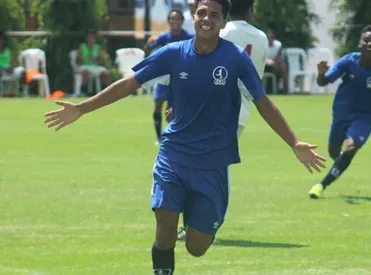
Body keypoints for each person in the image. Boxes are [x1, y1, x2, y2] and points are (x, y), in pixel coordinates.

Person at [43, 0, 326, 274]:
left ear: (223, 22)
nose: (206, 19)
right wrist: (82, 108)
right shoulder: (174, 52)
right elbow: (129, 83)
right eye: (202, 12)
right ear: (193, 16)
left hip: (212, 163)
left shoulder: (235, 58)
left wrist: (294, 142)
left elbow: (263, 102)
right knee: (165, 222)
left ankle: (202, 216)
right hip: (174, 155)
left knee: (196, 246)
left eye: (214, 15)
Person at [175, 0, 268, 240]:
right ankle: (201, 222)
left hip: (213, 108)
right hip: (242, 110)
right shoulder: (261, 37)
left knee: (204, 164)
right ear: (250, 11)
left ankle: (208, 222)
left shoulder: (221, 31)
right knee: (214, 164)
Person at [308, 25, 371, 199]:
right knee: (334, 151)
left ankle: (321, 185)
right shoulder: (349, 61)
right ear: (360, 43)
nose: (369, 44)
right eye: (366, 41)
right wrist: (321, 74)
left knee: (351, 148)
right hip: (341, 115)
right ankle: (340, 166)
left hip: (364, 118)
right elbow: (323, 82)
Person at [144, 9, 194, 146]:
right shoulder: (164, 37)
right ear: (168, 21)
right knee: (158, 104)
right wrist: (148, 43)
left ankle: (177, 136)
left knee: (176, 108)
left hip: (181, 79)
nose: (175, 22)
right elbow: (149, 51)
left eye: (177, 19)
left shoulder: (188, 37)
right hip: (164, 77)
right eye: (172, 19)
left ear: (182, 21)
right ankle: (158, 137)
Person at [265, 29, 288, 93]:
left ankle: (285, 90)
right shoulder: (262, 44)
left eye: (271, 37)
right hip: (264, 65)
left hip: (275, 64)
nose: (270, 39)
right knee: (279, 67)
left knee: (283, 66)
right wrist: (267, 61)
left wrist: (275, 62)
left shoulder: (278, 45)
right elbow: (259, 56)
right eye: (268, 37)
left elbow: (280, 57)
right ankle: (275, 88)